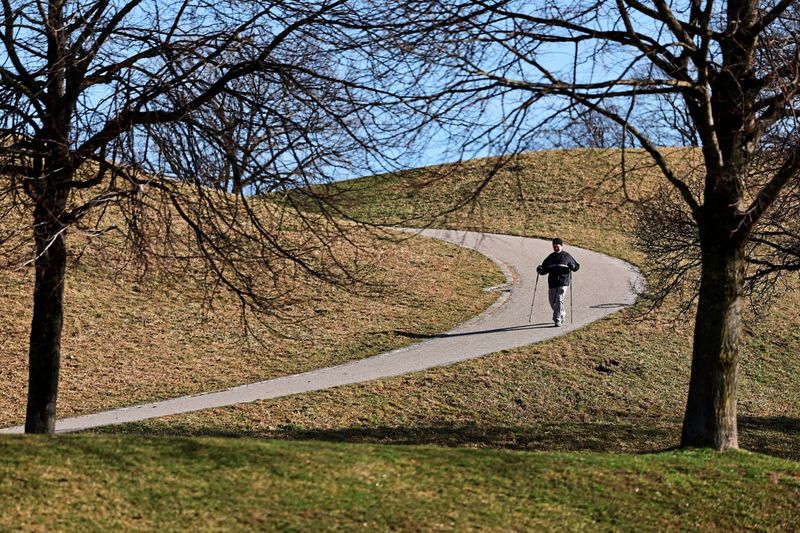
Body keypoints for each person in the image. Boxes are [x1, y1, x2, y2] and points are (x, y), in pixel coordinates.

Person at [536, 237, 580, 327]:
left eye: (557, 246)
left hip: (563, 282)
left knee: (559, 299)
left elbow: (576, 266)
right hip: (552, 283)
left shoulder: (567, 256)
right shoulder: (550, 258)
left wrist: (573, 266)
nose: (556, 248)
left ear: (561, 246)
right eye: (554, 246)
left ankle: (557, 319)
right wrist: (540, 270)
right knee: (552, 302)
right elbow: (544, 270)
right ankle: (562, 313)